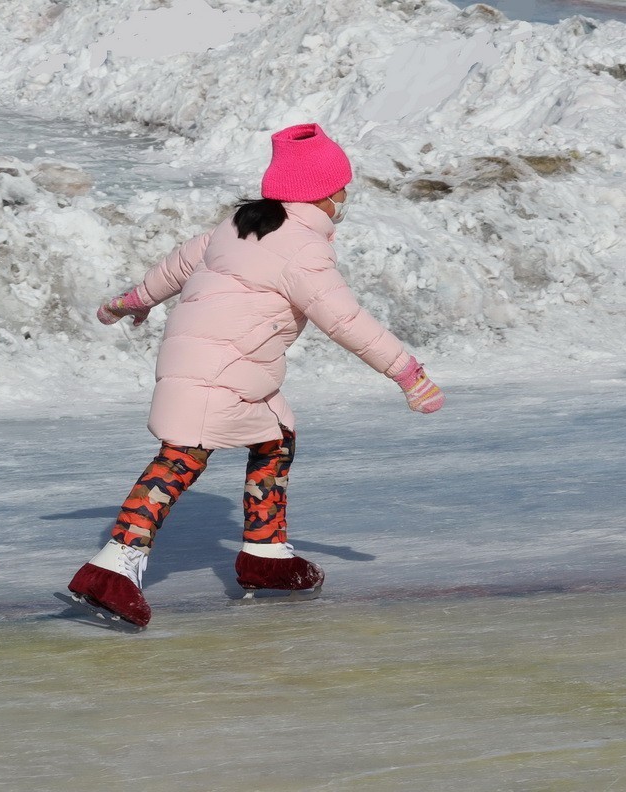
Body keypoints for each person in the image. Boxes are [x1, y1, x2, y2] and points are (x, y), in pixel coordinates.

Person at [66, 123, 444, 626]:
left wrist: (129, 302)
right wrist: (407, 373)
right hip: (221, 369)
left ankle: (265, 556)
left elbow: (174, 268)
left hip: (214, 364)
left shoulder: (239, 225)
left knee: (277, 437)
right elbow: (347, 320)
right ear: (320, 195)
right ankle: (113, 567)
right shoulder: (304, 252)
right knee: (180, 459)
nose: (345, 198)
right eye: (341, 189)